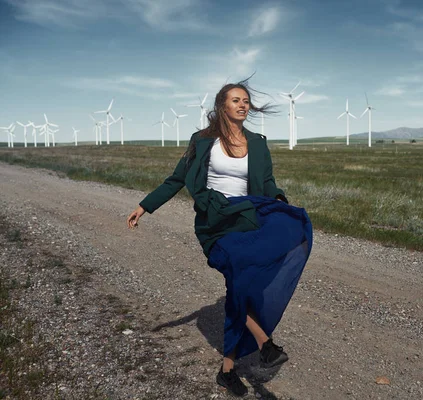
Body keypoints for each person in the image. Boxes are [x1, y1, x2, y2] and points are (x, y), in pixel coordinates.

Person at [126, 78, 312, 397]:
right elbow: (176, 181)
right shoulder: (201, 142)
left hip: (248, 217)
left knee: (242, 287)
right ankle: (264, 345)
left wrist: (280, 202)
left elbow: (267, 183)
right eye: (236, 100)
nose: (243, 105)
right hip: (215, 222)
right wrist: (144, 207)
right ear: (221, 105)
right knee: (239, 283)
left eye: (246, 101)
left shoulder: (257, 142)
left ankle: (228, 370)